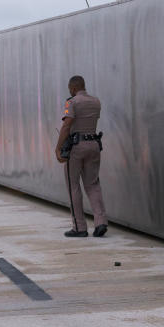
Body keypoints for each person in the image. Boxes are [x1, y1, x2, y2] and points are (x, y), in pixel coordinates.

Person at [55, 75, 108, 238]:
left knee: (74, 186)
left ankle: (79, 227)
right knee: (93, 184)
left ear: (72, 88)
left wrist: (58, 148)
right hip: (94, 145)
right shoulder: (96, 101)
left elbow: (67, 125)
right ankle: (101, 222)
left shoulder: (72, 102)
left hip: (77, 147)